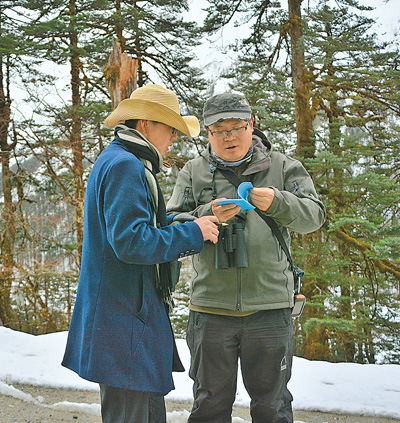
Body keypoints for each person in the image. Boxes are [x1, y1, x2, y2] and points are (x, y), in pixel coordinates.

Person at [61, 84, 219, 423]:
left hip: (125, 325)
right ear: (145, 125)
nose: (174, 138)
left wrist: (191, 219)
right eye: (170, 128)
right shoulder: (127, 166)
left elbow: (137, 226)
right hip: (125, 326)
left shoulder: (118, 158)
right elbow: (131, 241)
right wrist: (193, 233)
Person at [166, 92, 326, 423]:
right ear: (207, 134)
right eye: (219, 129)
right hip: (210, 311)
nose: (229, 136)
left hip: (270, 310)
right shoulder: (193, 172)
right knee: (209, 406)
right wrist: (206, 213)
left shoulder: (284, 167)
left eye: (237, 126)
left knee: (272, 407)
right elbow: (170, 226)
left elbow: (315, 216)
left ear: (251, 125)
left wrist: (279, 202)